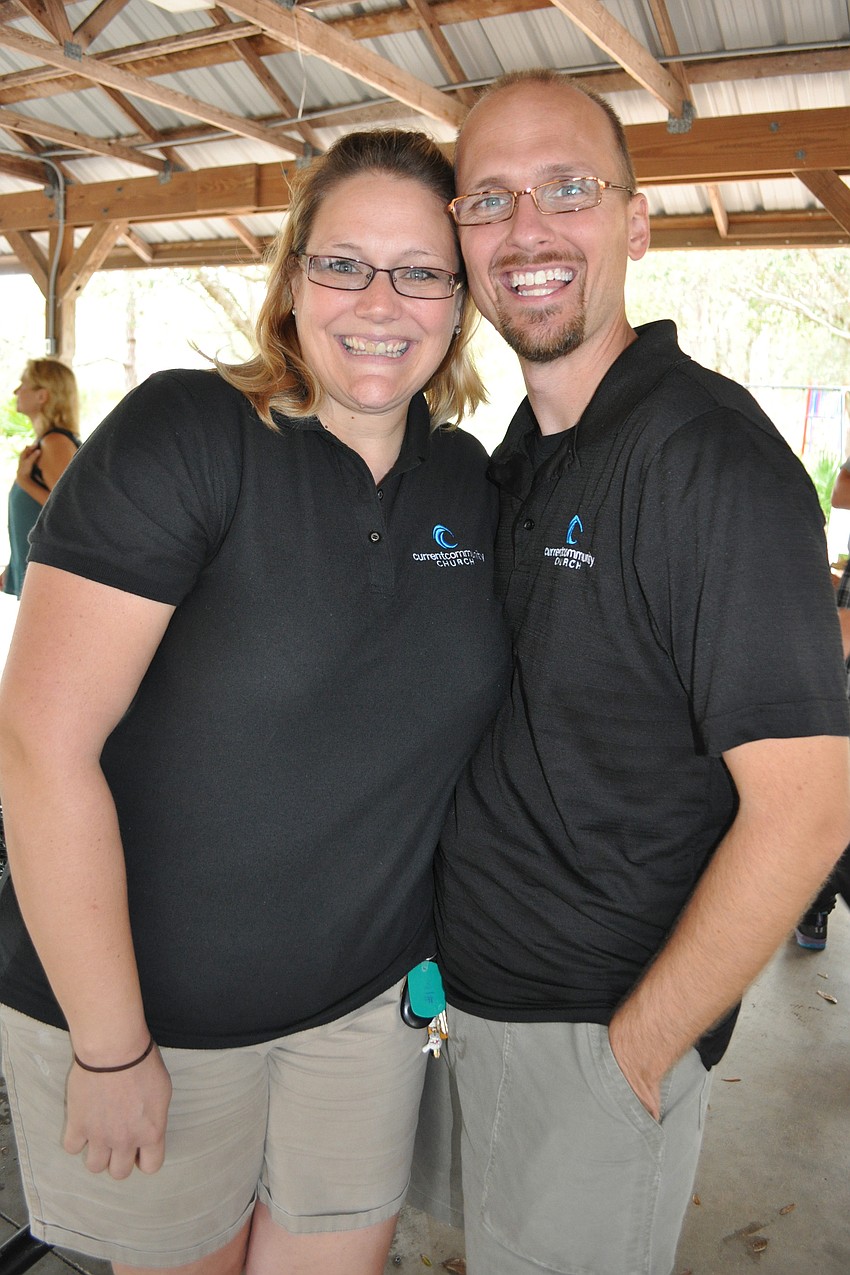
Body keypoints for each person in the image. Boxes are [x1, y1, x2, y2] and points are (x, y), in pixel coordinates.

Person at [0, 128, 509, 1275]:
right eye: (344, 263)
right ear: (292, 282)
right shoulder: (189, 434)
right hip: (153, 1018)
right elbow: (38, 744)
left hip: (363, 1017)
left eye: (421, 270)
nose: (381, 301)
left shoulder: (470, 484)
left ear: (460, 298)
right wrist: (112, 1047)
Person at [427, 71, 850, 1275]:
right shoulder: (525, 452)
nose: (527, 231)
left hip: (600, 1031)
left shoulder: (705, 456)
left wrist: (637, 1054)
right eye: (489, 199)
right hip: (493, 1009)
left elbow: (810, 808)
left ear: (636, 223)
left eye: (569, 188)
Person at [0, 357, 81, 598]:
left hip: (51, 588)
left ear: (42, 396)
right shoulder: (47, 442)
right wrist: (13, 568)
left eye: (23, 384)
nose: (16, 391)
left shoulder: (55, 443)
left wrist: (24, 481)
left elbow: (68, 513)